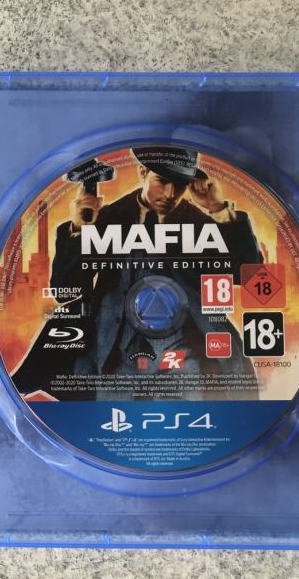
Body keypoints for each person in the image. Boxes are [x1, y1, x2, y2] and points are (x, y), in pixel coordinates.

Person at [14, 146, 263, 400]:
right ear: (143, 172)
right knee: (111, 418)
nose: (170, 193)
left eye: (179, 184)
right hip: (113, 350)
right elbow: (65, 289)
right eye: (161, 181)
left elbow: (249, 275)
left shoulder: (200, 223)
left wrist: (218, 209)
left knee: (195, 416)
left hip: (185, 348)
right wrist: (80, 229)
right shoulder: (106, 218)